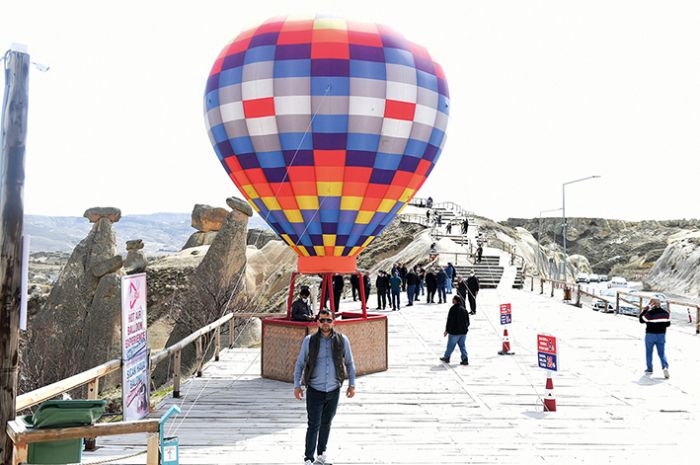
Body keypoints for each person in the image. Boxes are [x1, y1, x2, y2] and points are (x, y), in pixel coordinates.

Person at [294, 310, 356, 465]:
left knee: (326, 423)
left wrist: (352, 384)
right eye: (322, 320)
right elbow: (300, 363)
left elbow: (349, 363)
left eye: (328, 320)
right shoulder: (309, 340)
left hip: (334, 389)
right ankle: (309, 458)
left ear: (333, 321)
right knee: (313, 424)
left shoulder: (342, 340)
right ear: (318, 322)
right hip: (315, 389)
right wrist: (297, 385)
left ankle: (321, 455)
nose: (325, 323)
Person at [639, 298, 671, 378]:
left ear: (652, 305)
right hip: (661, 335)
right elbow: (668, 324)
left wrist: (645, 310)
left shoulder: (649, 314)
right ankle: (665, 367)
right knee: (662, 353)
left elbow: (641, 320)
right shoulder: (665, 313)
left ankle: (649, 368)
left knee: (649, 352)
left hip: (650, 335)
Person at [439, 295, 470, 365]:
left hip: (454, 332)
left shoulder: (453, 309)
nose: (452, 300)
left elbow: (450, 321)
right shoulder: (464, 309)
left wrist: (447, 330)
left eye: (453, 299)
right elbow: (468, 322)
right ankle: (465, 359)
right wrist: (465, 328)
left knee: (450, 346)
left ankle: (446, 357)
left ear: (456, 300)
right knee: (462, 346)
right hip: (463, 332)